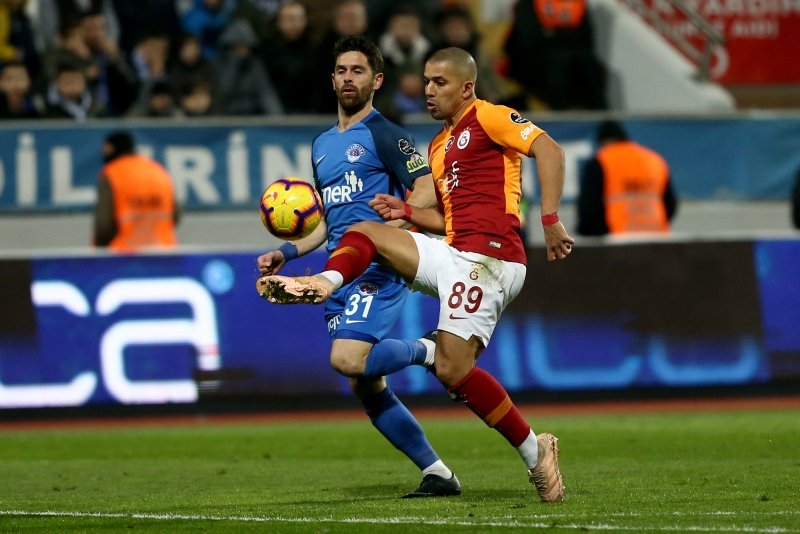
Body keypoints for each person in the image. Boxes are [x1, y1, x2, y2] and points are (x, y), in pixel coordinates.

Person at [257, 46, 573, 502]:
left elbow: (549, 149)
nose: (428, 90)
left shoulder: (491, 116)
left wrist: (549, 219)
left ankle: (533, 449)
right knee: (370, 230)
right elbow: (449, 219)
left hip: (491, 259)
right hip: (455, 250)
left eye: (439, 82)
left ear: (467, 87)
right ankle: (324, 281)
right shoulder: (440, 145)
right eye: (425, 81)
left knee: (450, 369)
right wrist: (405, 211)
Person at [256, 35, 460, 498]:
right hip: (338, 267)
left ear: (377, 80)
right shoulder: (323, 144)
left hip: (379, 264)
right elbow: (329, 216)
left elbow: (425, 185)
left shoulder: (387, 134)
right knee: (364, 383)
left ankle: (428, 351)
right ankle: (439, 473)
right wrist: (287, 254)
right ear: (332, 79)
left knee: (346, 359)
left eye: (358, 71)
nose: (349, 78)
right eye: (342, 71)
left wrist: (402, 216)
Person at [577, 120, 678, 236]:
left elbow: (589, 210)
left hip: (615, 243)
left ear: (602, 142)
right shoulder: (655, 160)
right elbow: (670, 205)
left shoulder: (600, 162)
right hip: (656, 241)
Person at [503, 0, 607, 111]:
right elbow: (531, 40)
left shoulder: (576, 5)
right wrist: (567, 33)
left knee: (590, 63)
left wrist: (553, 33)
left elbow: (586, 38)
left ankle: (603, 117)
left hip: (572, 55)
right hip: (535, 59)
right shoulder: (528, 4)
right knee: (559, 62)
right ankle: (559, 116)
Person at [93, 130, 180, 252]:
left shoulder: (111, 174)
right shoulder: (158, 170)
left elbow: (103, 225)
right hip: (163, 253)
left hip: (123, 257)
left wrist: (98, 256)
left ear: (112, 149)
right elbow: (175, 215)